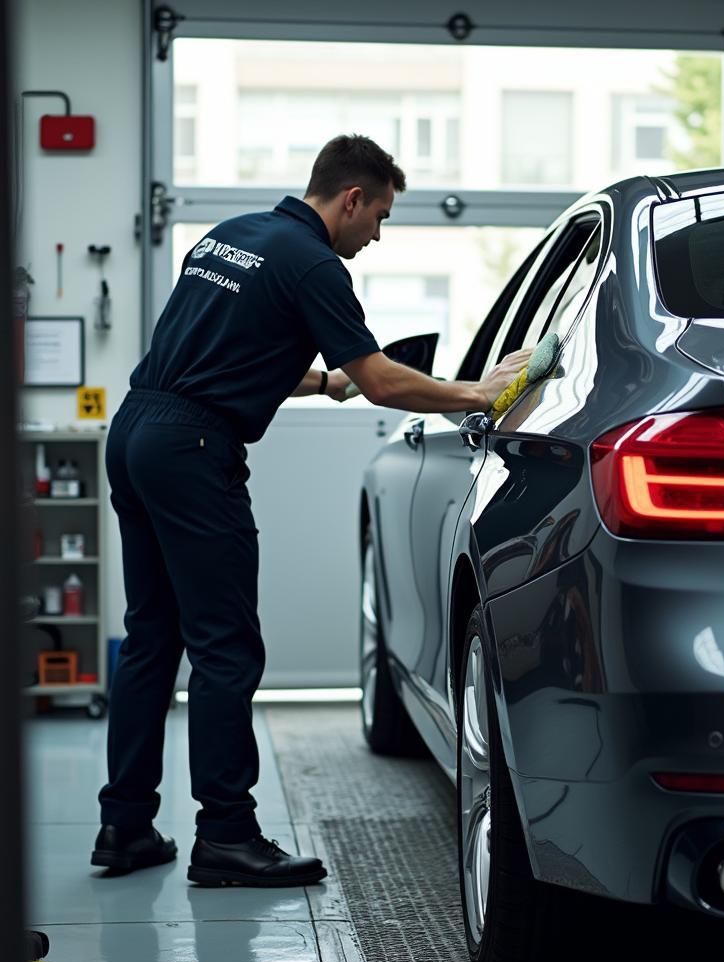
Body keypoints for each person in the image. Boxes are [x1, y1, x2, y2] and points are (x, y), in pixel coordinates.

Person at [91, 134, 530, 887]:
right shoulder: (317, 264)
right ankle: (226, 836)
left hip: (135, 432)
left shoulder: (230, 237)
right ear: (350, 199)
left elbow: (215, 354)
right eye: (381, 216)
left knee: (150, 638)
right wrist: (479, 392)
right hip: (194, 451)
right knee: (226, 649)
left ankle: (124, 825)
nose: (378, 236)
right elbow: (386, 382)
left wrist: (323, 384)